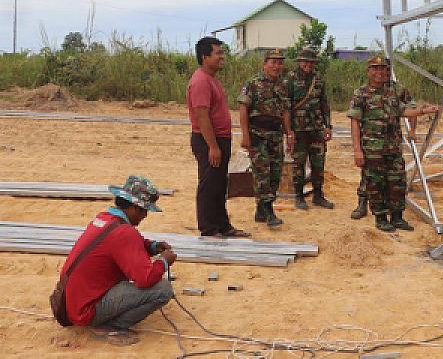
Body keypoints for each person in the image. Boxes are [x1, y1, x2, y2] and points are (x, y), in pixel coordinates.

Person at [57, 175, 176, 345]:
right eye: (145, 211)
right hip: (86, 310)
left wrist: (152, 246)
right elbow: (145, 279)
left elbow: (126, 245)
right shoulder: (124, 233)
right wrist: (164, 262)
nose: (145, 216)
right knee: (163, 289)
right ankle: (110, 326)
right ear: (136, 208)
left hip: (72, 303)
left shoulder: (105, 218)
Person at [348, 54, 439, 232]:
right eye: (375, 69)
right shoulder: (361, 93)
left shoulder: (396, 91)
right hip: (372, 149)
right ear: (368, 71)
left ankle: (397, 217)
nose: (379, 73)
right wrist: (357, 150)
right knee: (375, 183)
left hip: (393, 147)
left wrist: (423, 112)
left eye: (383, 69)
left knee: (397, 181)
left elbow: (407, 110)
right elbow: (354, 122)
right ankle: (381, 218)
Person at [187, 36, 249, 238]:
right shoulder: (200, 82)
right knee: (209, 185)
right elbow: (202, 116)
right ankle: (208, 228)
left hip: (219, 139)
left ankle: (223, 226)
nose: (222, 57)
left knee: (220, 184)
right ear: (205, 57)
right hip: (208, 140)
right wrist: (213, 146)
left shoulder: (211, 79)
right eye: (218, 53)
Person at [238, 48, 293, 228]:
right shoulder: (253, 83)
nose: (277, 66)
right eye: (273, 62)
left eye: (280, 62)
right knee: (262, 173)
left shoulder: (283, 86)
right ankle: (269, 211)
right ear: (265, 64)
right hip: (257, 134)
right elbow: (243, 109)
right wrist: (245, 135)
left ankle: (261, 209)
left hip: (275, 135)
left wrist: (289, 133)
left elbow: (285, 111)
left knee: (276, 173)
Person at [286, 47, 334, 210]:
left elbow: (324, 104)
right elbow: (286, 106)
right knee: (298, 165)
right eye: (305, 61)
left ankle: (318, 195)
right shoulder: (290, 79)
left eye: (311, 62)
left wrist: (328, 125)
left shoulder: (318, 79)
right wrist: (288, 131)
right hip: (298, 129)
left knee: (318, 164)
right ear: (299, 62)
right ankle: (299, 197)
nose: (308, 65)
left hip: (317, 128)